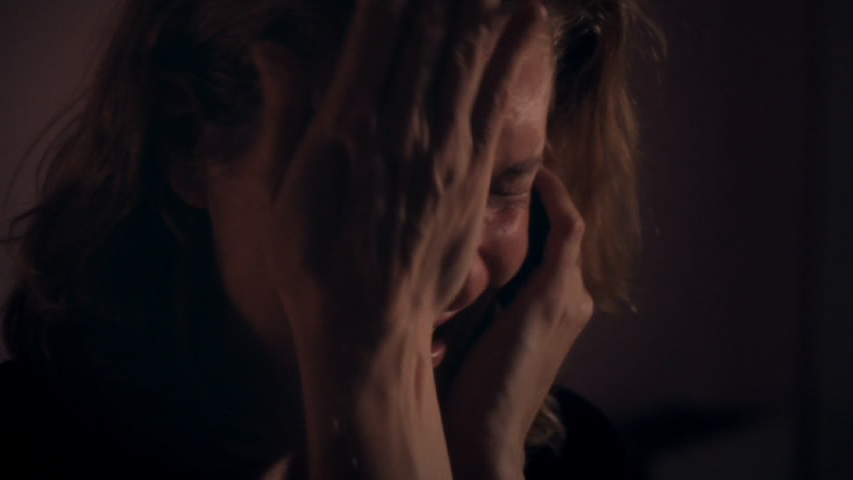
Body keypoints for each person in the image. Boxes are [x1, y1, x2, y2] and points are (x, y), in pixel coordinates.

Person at [1, 0, 652, 478]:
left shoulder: (577, 457)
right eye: (390, 188)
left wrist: (490, 464)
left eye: (505, 188)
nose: (453, 276)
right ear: (189, 141)